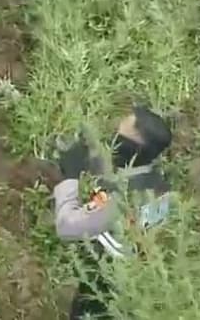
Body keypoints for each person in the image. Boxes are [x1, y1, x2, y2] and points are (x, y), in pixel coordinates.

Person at [53, 107, 174, 319]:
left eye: (119, 136)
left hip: (106, 282)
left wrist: (70, 178)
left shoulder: (121, 200)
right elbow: (115, 171)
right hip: (138, 273)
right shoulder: (160, 185)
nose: (113, 140)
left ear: (132, 150)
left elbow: (67, 226)